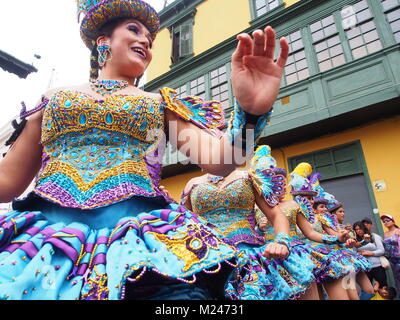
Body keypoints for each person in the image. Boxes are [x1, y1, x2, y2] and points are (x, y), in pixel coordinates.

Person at [0, 0, 289, 300]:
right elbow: (7, 182)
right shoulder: (54, 99)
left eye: (150, 41)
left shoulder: (159, 104)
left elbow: (222, 160)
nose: (145, 42)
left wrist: (250, 114)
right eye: (133, 30)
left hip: (140, 245)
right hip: (45, 247)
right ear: (103, 42)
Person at [180, 145, 316, 300]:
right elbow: (183, 221)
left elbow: (277, 216)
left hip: (248, 255)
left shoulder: (249, 177)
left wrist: (282, 243)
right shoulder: (191, 184)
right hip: (207, 258)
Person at [307, 168, 374, 300]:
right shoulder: (302, 217)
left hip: (339, 258)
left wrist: (353, 240)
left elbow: (338, 237)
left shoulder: (326, 221)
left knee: (356, 294)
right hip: (317, 259)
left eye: (325, 206)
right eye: (321, 207)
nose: (324, 209)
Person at [353, 221, 388, 291]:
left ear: (364, 228)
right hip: (365, 268)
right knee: (368, 290)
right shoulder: (356, 241)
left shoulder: (373, 236)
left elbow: (382, 250)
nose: (358, 231)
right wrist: (359, 254)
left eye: (360, 228)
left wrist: (370, 253)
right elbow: (354, 253)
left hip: (377, 267)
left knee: (383, 288)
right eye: (356, 229)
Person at [381, 214, 400, 291]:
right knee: (398, 279)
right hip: (392, 260)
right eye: (384, 221)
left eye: (387, 220)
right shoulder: (385, 234)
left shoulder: (398, 231)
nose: (386, 222)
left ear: (393, 221)